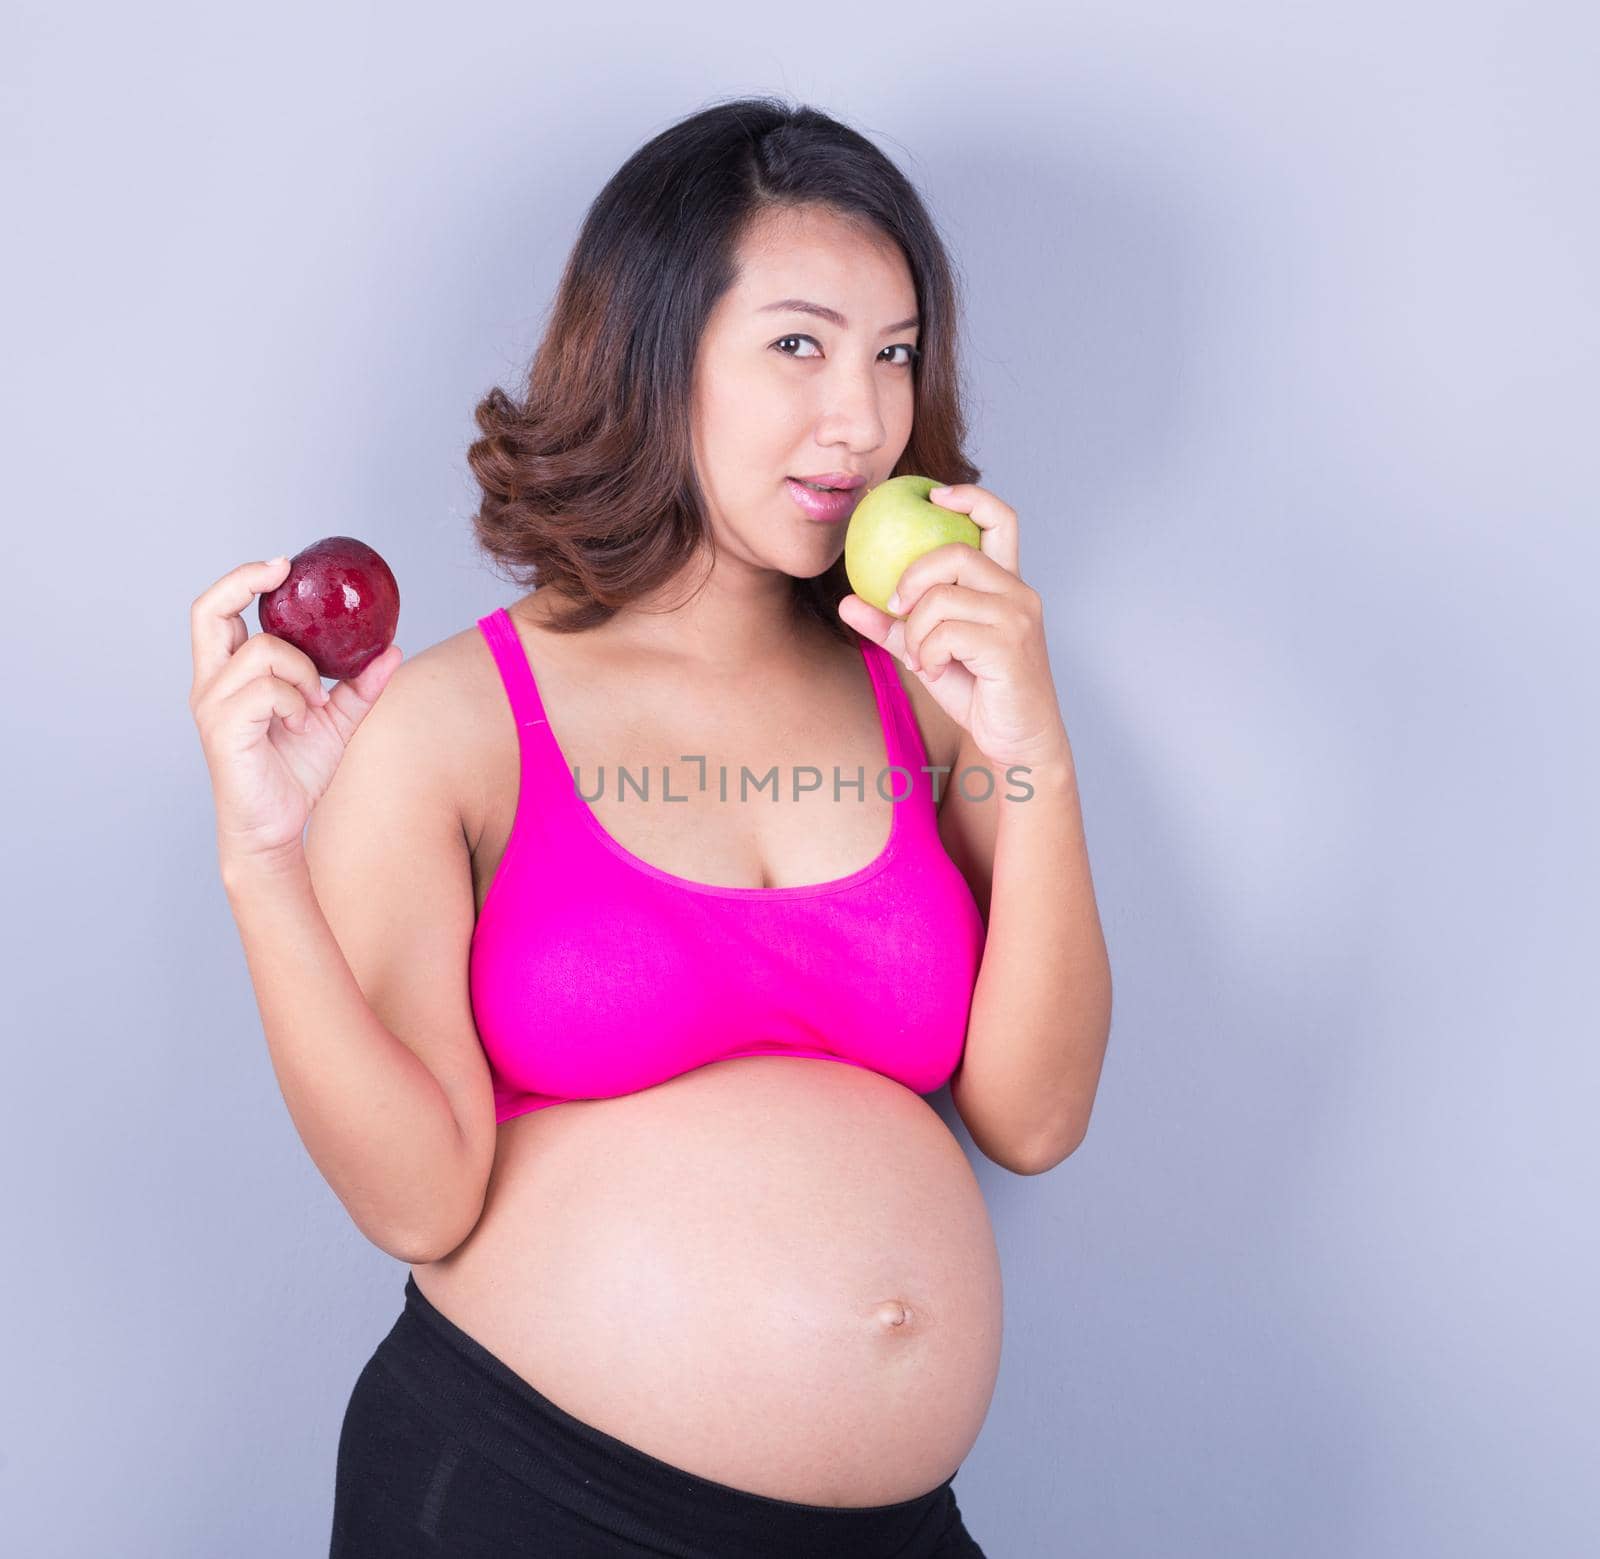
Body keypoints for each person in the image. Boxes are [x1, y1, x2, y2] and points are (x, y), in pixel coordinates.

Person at [188, 95, 1110, 1558]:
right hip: (528, 1501)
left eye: (896, 354)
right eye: (799, 345)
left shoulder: (926, 701)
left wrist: (1033, 740)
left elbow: (1037, 1116)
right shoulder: (455, 723)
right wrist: (261, 866)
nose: (861, 420)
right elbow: (420, 1201)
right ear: (656, 351)